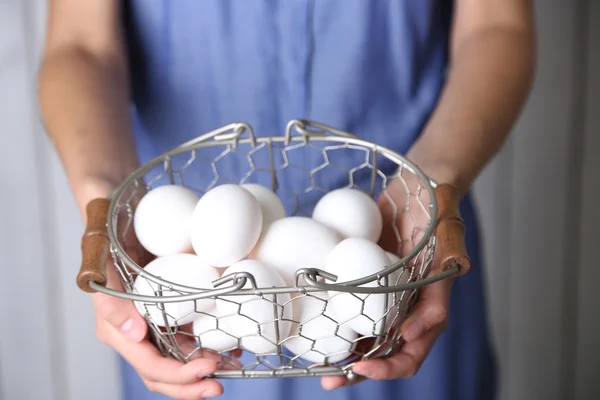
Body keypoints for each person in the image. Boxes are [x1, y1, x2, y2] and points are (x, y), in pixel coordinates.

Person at [38, 1, 535, 399]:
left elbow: (495, 25)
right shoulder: (184, 257)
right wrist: (108, 205)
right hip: (187, 297)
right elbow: (80, 43)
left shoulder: (399, 244)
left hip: (401, 259)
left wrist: (432, 186)